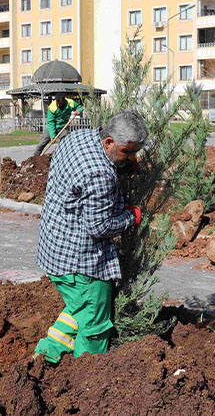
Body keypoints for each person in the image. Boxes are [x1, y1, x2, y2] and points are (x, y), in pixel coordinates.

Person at [34, 110, 147, 364]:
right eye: (128, 152)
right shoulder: (99, 174)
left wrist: (123, 164)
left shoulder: (78, 137)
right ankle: (86, 379)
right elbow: (99, 226)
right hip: (81, 263)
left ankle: (47, 353)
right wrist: (131, 216)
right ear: (108, 142)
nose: (133, 158)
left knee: (79, 308)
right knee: (94, 322)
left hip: (55, 246)